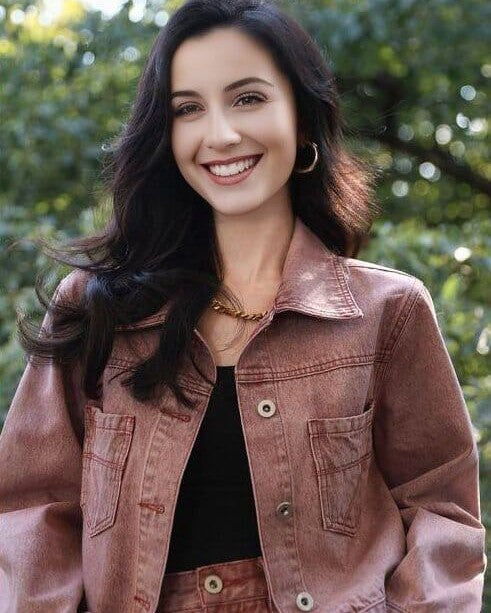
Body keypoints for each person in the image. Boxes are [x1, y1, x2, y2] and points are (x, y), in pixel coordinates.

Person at [0, 0, 486, 611]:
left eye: (248, 98)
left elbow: (442, 513)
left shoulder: (386, 312)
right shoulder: (98, 310)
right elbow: (31, 511)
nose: (221, 133)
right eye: (188, 109)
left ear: (303, 120)